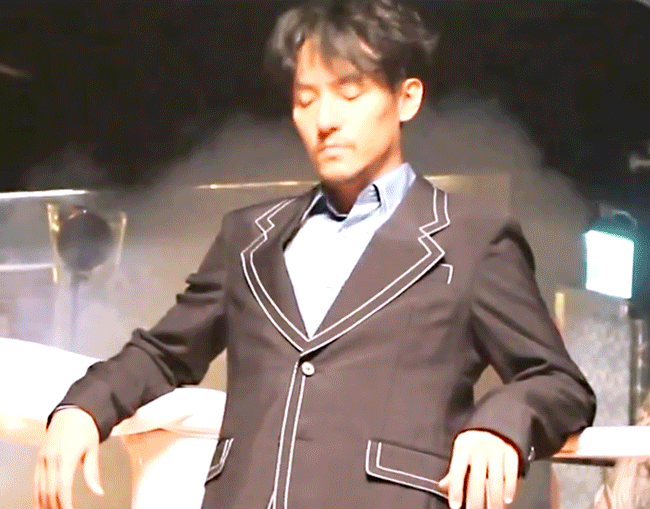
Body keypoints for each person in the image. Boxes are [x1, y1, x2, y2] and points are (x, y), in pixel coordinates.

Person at [34, 1, 596, 509]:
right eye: (306, 99)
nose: (325, 120)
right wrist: (82, 408)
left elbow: (557, 381)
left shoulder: (472, 239)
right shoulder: (248, 236)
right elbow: (163, 353)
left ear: (406, 98)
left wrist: (500, 423)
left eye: (350, 93)